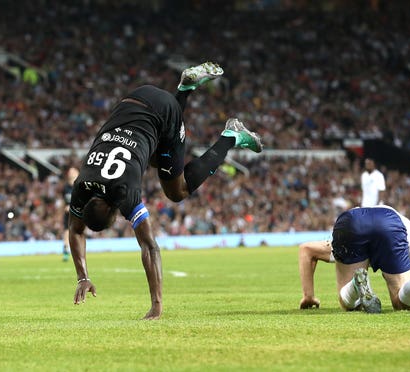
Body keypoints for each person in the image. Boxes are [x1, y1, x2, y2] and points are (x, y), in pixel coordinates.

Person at [69, 62, 263, 319]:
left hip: (164, 113)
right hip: (133, 99)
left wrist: (156, 306)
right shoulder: (82, 185)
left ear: (117, 211)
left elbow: (150, 247)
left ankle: (230, 135)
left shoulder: (124, 192)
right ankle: (184, 89)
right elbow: (76, 228)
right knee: (156, 161)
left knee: (177, 190)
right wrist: (82, 277)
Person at [315, 205, 410, 314]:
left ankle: (356, 283)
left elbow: (307, 249)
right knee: (401, 304)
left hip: (352, 220)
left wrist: (308, 296)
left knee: (348, 302)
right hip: (388, 223)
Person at [61, 166, 79, 262]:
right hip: (68, 214)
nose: (71, 173)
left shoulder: (80, 186)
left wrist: (71, 207)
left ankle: (77, 251)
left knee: (77, 232)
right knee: (66, 231)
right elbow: (64, 200)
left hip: (78, 212)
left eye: (73, 171)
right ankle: (66, 251)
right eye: (70, 172)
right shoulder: (66, 187)